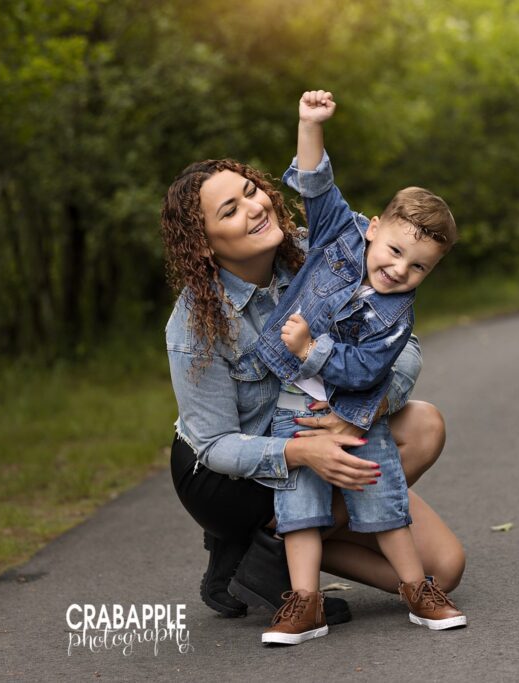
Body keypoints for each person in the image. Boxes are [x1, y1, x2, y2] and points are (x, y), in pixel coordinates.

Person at [160, 127, 466, 630]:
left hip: (319, 429)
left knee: (444, 566)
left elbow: (402, 347)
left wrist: (356, 416)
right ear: (205, 244)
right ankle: (256, 545)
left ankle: (267, 557)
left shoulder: (321, 248)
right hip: (233, 476)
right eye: (230, 211)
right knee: (301, 471)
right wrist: (302, 452)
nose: (254, 208)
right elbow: (213, 445)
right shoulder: (195, 322)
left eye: (251, 192)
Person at [255, 90, 465, 645]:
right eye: (396, 251)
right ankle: (305, 602)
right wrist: (309, 122)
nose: (400, 270)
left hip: (355, 410)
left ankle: (418, 589)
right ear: (373, 227)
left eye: (419, 267)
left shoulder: (398, 313)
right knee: (299, 502)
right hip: (296, 405)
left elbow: (367, 368)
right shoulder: (337, 235)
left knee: (383, 495)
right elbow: (314, 182)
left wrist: (310, 351)